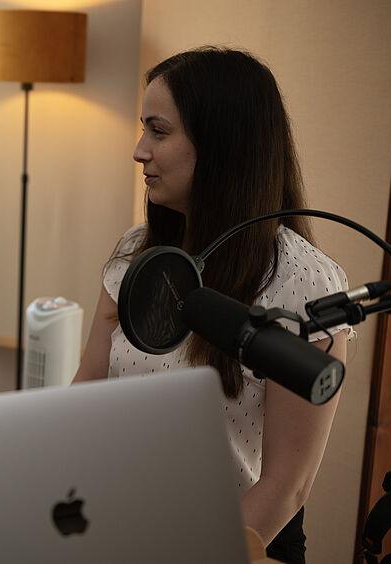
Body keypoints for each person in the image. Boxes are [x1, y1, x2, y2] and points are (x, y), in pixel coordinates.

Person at [73, 47, 350, 564]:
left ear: (221, 145)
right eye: (143, 129)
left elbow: (289, 485)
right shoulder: (139, 251)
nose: (139, 150)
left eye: (158, 131)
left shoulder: (303, 284)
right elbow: (86, 387)